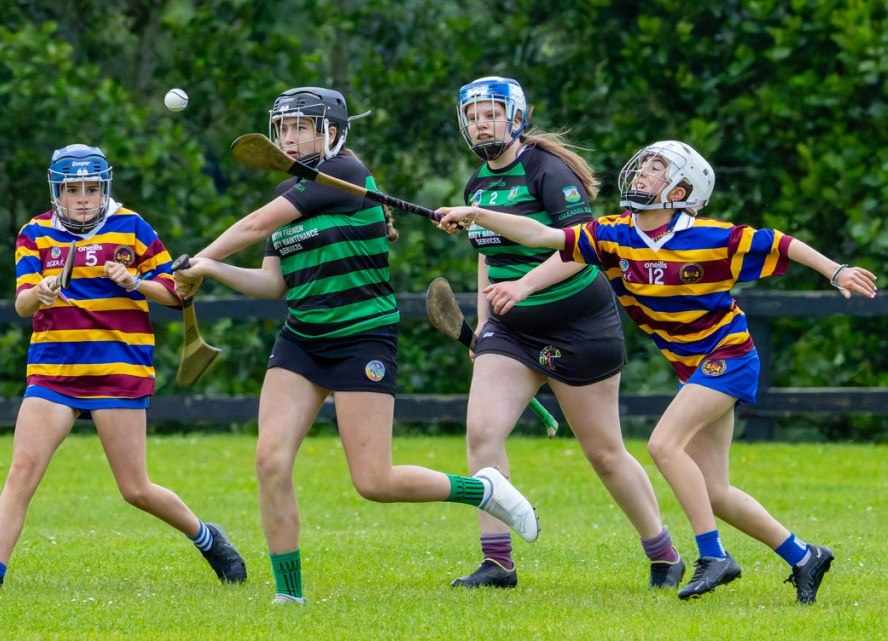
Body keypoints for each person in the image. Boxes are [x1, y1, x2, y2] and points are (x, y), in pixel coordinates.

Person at [436, 139, 878, 603]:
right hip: (692, 367)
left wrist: (836, 271)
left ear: (681, 191)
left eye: (656, 169)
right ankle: (805, 556)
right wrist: (478, 215)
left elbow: (780, 243)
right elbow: (541, 236)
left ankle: (713, 556)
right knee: (716, 492)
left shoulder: (713, 237)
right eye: (643, 165)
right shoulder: (615, 234)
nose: (642, 173)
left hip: (729, 357)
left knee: (663, 445)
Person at [172, 87, 539, 605]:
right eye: (285, 127)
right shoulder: (291, 191)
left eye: (302, 127)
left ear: (332, 132)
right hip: (302, 339)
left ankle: (484, 490)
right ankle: (289, 596)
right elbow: (273, 283)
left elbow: (254, 225)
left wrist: (191, 263)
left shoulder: (344, 172)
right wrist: (209, 269)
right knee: (270, 462)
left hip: (361, 338)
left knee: (374, 481)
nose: (290, 137)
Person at [0, 144, 246, 591]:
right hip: (54, 371)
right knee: (22, 470)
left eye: (91, 189)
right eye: (72, 190)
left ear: (104, 188)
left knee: (135, 490)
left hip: (119, 370)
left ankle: (208, 538)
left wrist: (135, 282)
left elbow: (177, 293)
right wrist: (42, 293)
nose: (82, 199)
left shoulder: (132, 227)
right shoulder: (35, 233)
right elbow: (22, 303)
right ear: (57, 192)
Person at [441, 76, 684, 591]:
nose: (481, 124)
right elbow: (488, 254)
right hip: (511, 329)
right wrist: (484, 322)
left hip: (579, 325)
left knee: (604, 453)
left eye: (491, 114)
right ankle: (497, 562)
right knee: (482, 435)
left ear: (516, 118)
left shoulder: (548, 172)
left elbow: (581, 249)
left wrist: (525, 286)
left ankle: (664, 553)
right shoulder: (477, 186)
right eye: (473, 117)